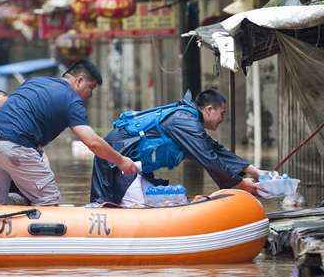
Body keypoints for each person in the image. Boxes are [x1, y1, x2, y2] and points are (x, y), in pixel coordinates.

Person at [0, 60, 139, 205]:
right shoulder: (71, 100)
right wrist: (121, 161)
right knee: (49, 201)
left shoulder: (35, 82)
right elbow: (93, 143)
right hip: (14, 146)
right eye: (91, 87)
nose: (90, 94)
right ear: (79, 80)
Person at [90, 88, 262, 206]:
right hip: (118, 163)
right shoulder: (185, 121)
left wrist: (255, 172)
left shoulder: (187, 120)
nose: (223, 118)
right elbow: (209, 158)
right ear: (209, 110)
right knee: (127, 207)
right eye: (222, 113)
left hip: (134, 167)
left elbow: (215, 149)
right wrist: (240, 183)